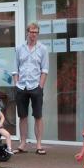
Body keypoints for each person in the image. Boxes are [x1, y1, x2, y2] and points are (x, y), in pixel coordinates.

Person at [12, 22, 49, 155]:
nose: (33, 35)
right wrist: (16, 84)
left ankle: (38, 144)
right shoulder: (19, 48)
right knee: (22, 116)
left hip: (35, 86)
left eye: (36, 32)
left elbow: (45, 70)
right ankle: (23, 143)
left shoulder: (43, 49)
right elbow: (15, 68)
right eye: (31, 32)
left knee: (38, 116)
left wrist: (40, 86)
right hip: (21, 86)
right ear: (27, 32)